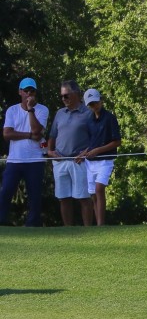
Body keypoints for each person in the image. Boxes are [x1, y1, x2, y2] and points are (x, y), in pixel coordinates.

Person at [0, 78, 49, 227]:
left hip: (35, 160)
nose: (29, 93)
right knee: (6, 191)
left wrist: (30, 110)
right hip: (15, 160)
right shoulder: (12, 110)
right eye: (26, 90)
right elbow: (7, 134)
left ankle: (32, 226)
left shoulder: (42, 110)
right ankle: (1, 222)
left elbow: (36, 131)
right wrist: (28, 135)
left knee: (35, 196)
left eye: (32, 91)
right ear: (20, 92)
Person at [47, 80, 93, 226]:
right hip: (60, 161)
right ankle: (68, 230)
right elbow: (52, 136)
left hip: (79, 161)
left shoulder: (88, 113)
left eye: (66, 95)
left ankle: (88, 231)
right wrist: (49, 152)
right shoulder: (60, 113)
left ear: (76, 94)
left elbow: (96, 138)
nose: (63, 99)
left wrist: (86, 152)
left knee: (83, 197)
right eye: (61, 96)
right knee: (63, 197)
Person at [76, 89, 121, 226]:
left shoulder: (110, 118)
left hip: (105, 161)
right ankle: (98, 226)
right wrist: (84, 153)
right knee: (93, 194)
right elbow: (92, 144)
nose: (94, 106)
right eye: (91, 104)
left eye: (95, 102)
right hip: (91, 162)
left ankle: (101, 225)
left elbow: (117, 142)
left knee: (99, 188)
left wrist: (98, 151)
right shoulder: (89, 120)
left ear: (101, 100)